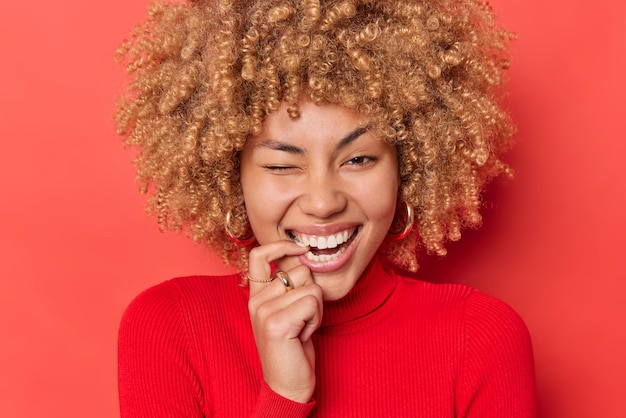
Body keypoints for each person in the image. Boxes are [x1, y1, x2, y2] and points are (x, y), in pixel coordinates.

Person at [115, 0, 536, 416]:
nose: (323, 203)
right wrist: (284, 397)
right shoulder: (170, 328)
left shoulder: (480, 337)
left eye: (358, 159)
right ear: (230, 177)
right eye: (282, 165)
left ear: (407, 169)